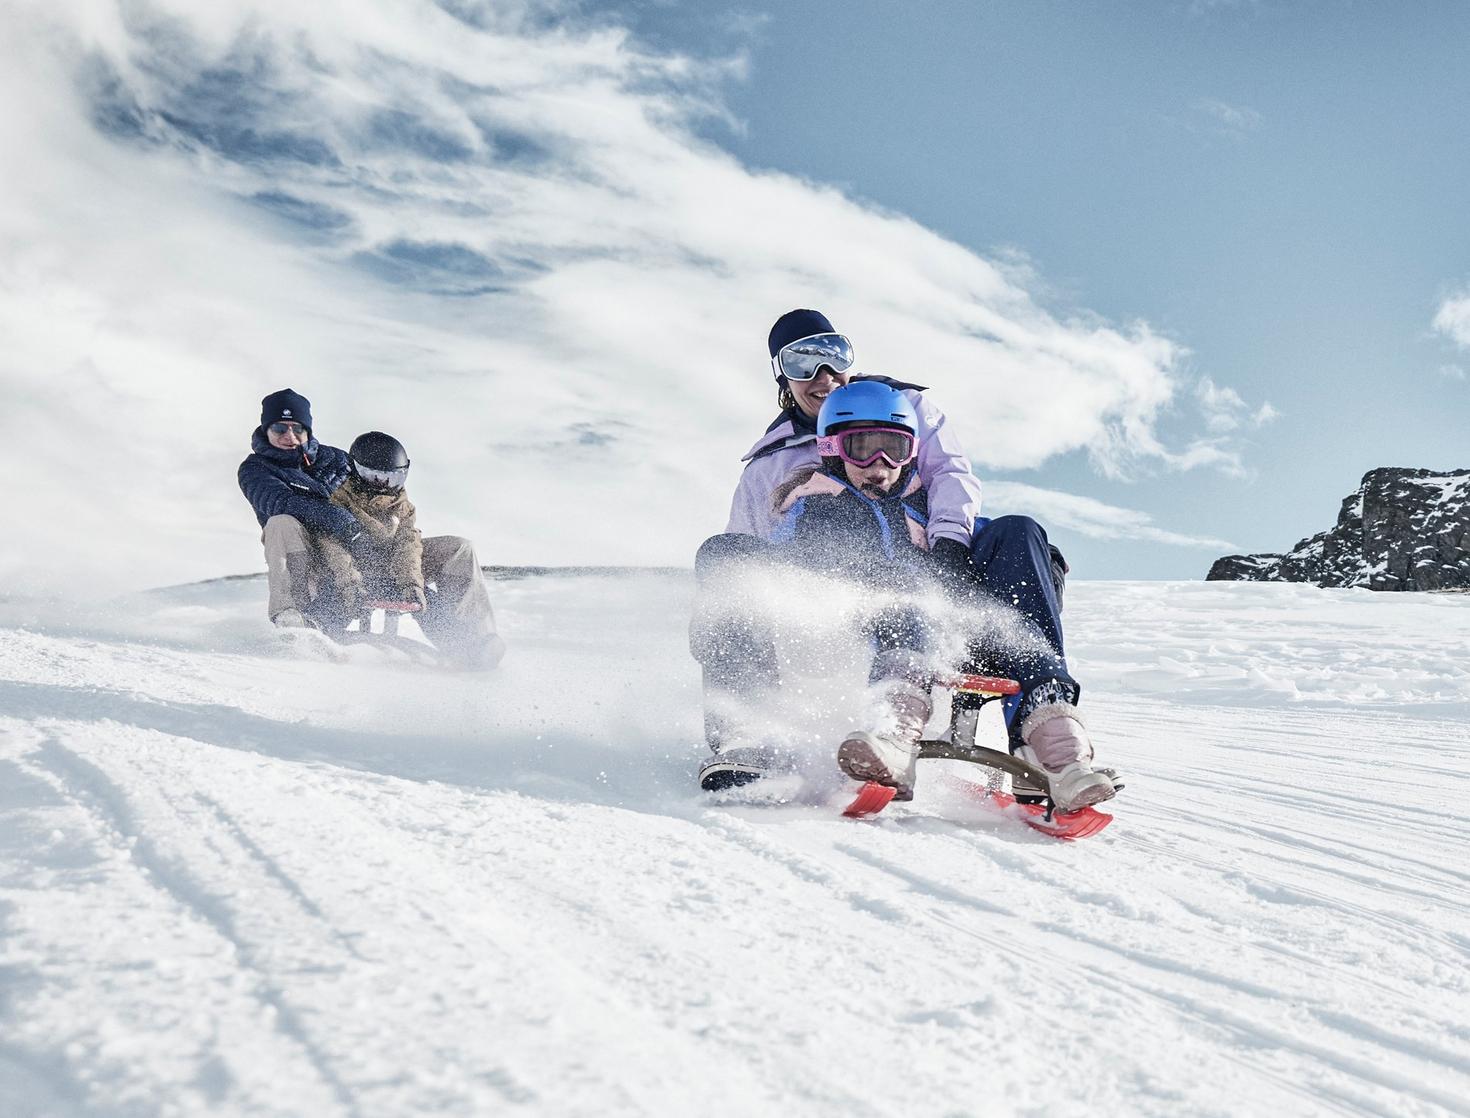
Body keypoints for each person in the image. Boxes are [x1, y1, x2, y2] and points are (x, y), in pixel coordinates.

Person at [694, 379, 1113, 813]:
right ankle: (889, 730)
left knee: (1019, 529)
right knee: (899, 586)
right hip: (862, 643)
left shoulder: (930, 510)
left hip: (964, 640)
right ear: (833, 448)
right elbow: (791, 576)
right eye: (862, 448)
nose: (880, 464)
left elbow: (1009, 553)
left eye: (894, 449)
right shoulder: (815, 508)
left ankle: (1055, 747)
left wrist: (1043, 563)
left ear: (913, 451)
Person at [237, 390, 505, 669]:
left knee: (459, 548)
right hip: (317, 557)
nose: (289, 436)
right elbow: (281, 501)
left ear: (308, 430)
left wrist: (394, 552)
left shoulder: (338, 459)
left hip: (375, 551)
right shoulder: (255, 470)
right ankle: (294, 620)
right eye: (280, 428)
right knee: (280, 522)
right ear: (266, 428)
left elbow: (382, 493)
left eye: (297, 428)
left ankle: (475, 642)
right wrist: (344, 524)